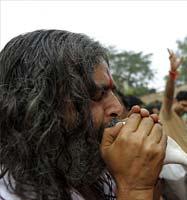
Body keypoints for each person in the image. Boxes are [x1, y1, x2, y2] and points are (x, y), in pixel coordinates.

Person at [0, 30, 167, 200]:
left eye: (112, 92)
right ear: (39, 108)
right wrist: (135, 189)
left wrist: (145, 171)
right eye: (97, 95)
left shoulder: (88, 168)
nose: (117, 107)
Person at [159, 49, 187, 200]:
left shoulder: (182, 119)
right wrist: (173, 73)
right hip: (173, 167)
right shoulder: (167, 113)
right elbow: (168, 95)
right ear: (175, 102)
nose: (185, 109)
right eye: (183, 105)